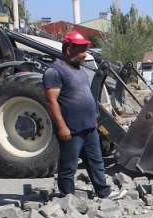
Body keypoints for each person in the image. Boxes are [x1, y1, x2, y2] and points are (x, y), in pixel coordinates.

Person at [43, 31, 125, 200]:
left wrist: (93, 119)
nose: (84, 53)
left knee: (96, 163)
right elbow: (51, 102)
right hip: (71, 130)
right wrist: (62, 127)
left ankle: (104, 192)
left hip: (89, 127)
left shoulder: (79, 70)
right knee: (68, 166)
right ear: (68, 50)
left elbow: (85, 95)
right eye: (81, 50)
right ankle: (67, 198)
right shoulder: (54, 72)